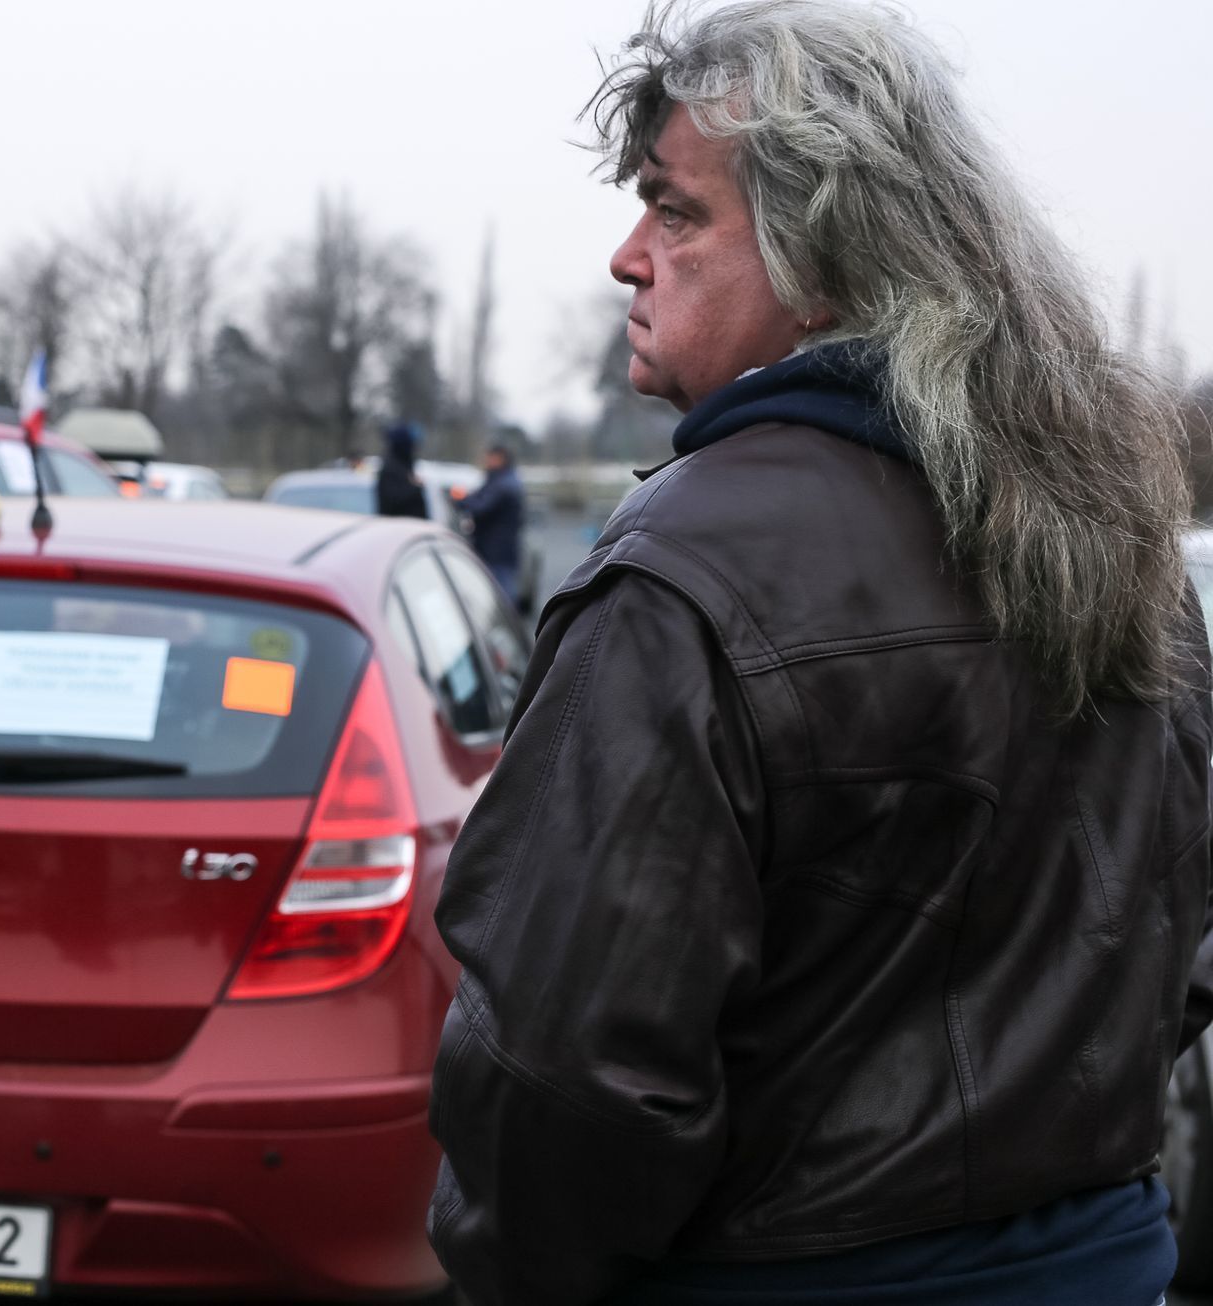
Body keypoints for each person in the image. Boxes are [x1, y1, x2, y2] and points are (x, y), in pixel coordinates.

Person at [426, 5, 1211, 1306]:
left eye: (676, 214)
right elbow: (1172, 928)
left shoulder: (679, 579)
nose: (628, 257)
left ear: (829, 257)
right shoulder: (1110, 527)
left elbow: (560, 1080)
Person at [458, 443, 525, 597]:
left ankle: (506, 621)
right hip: (494, 549)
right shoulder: (499, 480)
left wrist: (460, 500)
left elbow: (481, 506)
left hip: (497, 551)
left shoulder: (504, 484)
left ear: (499, 458)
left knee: (501, 596)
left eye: (489, 457)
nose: (485, 460)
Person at [375, 421, 427, 518]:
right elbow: (393, 500)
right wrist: (415, 487)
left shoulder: (402, 466)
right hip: (399, 527)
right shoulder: (392, 468)